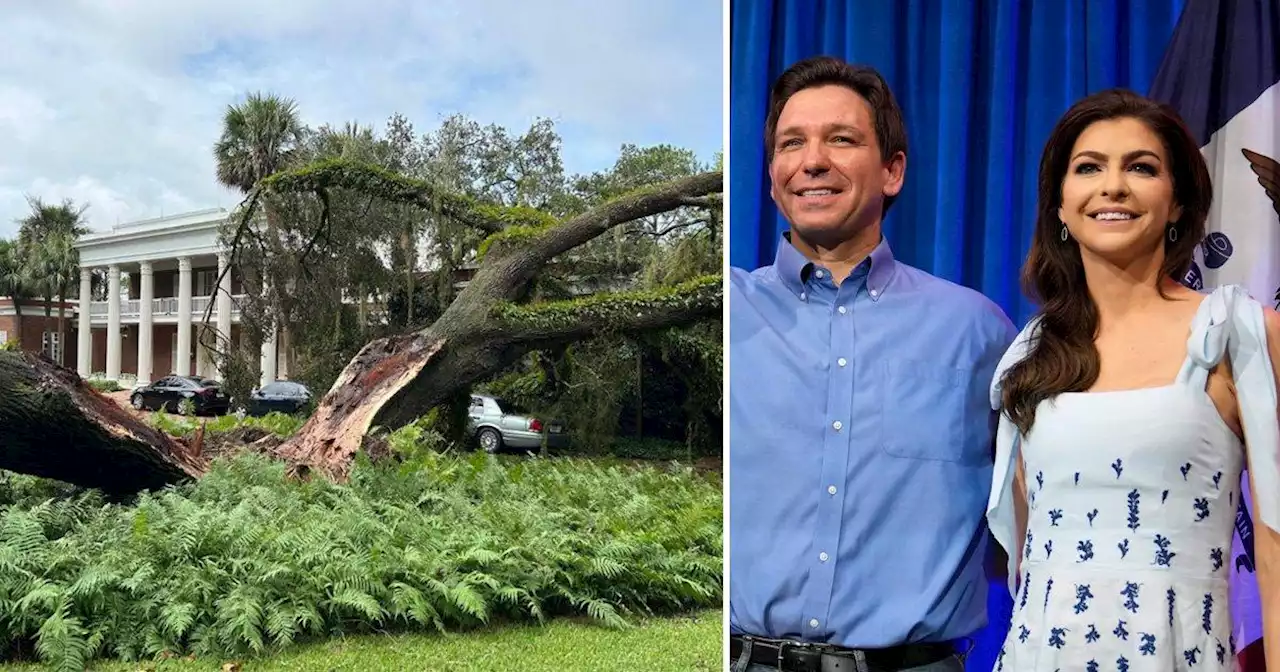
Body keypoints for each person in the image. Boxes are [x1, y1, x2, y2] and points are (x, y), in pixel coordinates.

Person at [729, 55, 1018, 672]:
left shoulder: (977, 331)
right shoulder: (725, 312)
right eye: (791, 143)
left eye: (841, 139)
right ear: (774, 176)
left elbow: (1027, 519)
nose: (813, 161)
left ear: (892, 170)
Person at [986, 89, 1279, 671]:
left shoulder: (1237, 331)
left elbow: (1275, 546)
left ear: (1176, 204)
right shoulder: (1029, 354)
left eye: (1140, 168)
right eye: (1088, 167)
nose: (1112, 186)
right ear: (1062, 208)